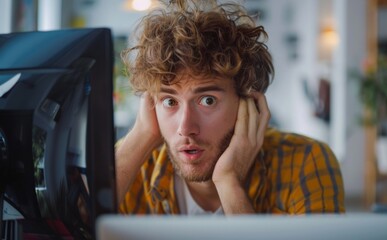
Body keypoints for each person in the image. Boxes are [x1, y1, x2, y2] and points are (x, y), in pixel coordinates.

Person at [116, 0, 345, 215]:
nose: (185, 128)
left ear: (248, 103)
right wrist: (140, 139)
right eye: (170, 101)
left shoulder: (305, 161)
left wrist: (229, 182)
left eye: (208, 100)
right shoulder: (133, 163)